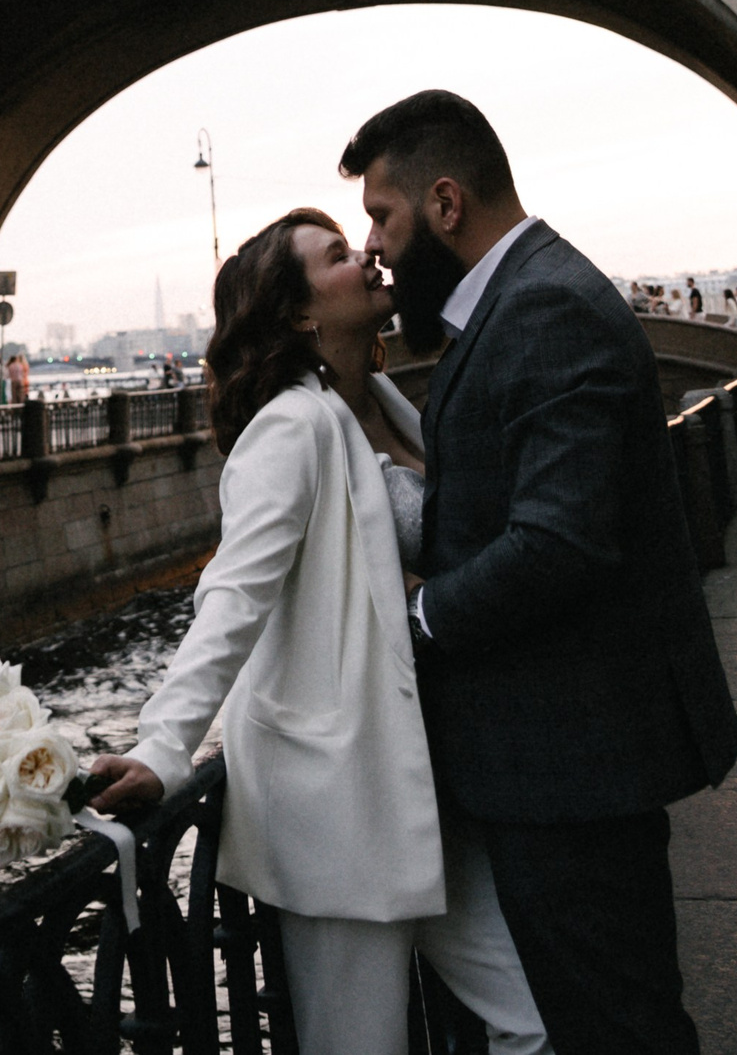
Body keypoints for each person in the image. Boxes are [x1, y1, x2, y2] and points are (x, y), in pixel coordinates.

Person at [84, 209, 547, 1055]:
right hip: (339, 806)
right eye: (338, 256)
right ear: (299, 313)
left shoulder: (381, 401)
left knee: (533, 1022)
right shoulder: (290, 427)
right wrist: (161, 749)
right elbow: (229, 599)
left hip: (422, 781)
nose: (369, 256)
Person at [344, 90, 737, 1055]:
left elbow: (560, 542)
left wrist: (415, 618)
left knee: (614, 1022)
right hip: (559, 751)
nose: (377, 252)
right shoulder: (520, 302)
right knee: (602, 1011)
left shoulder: (547, 307)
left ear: (445, 204)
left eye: (384, 218)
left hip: (572, 758)